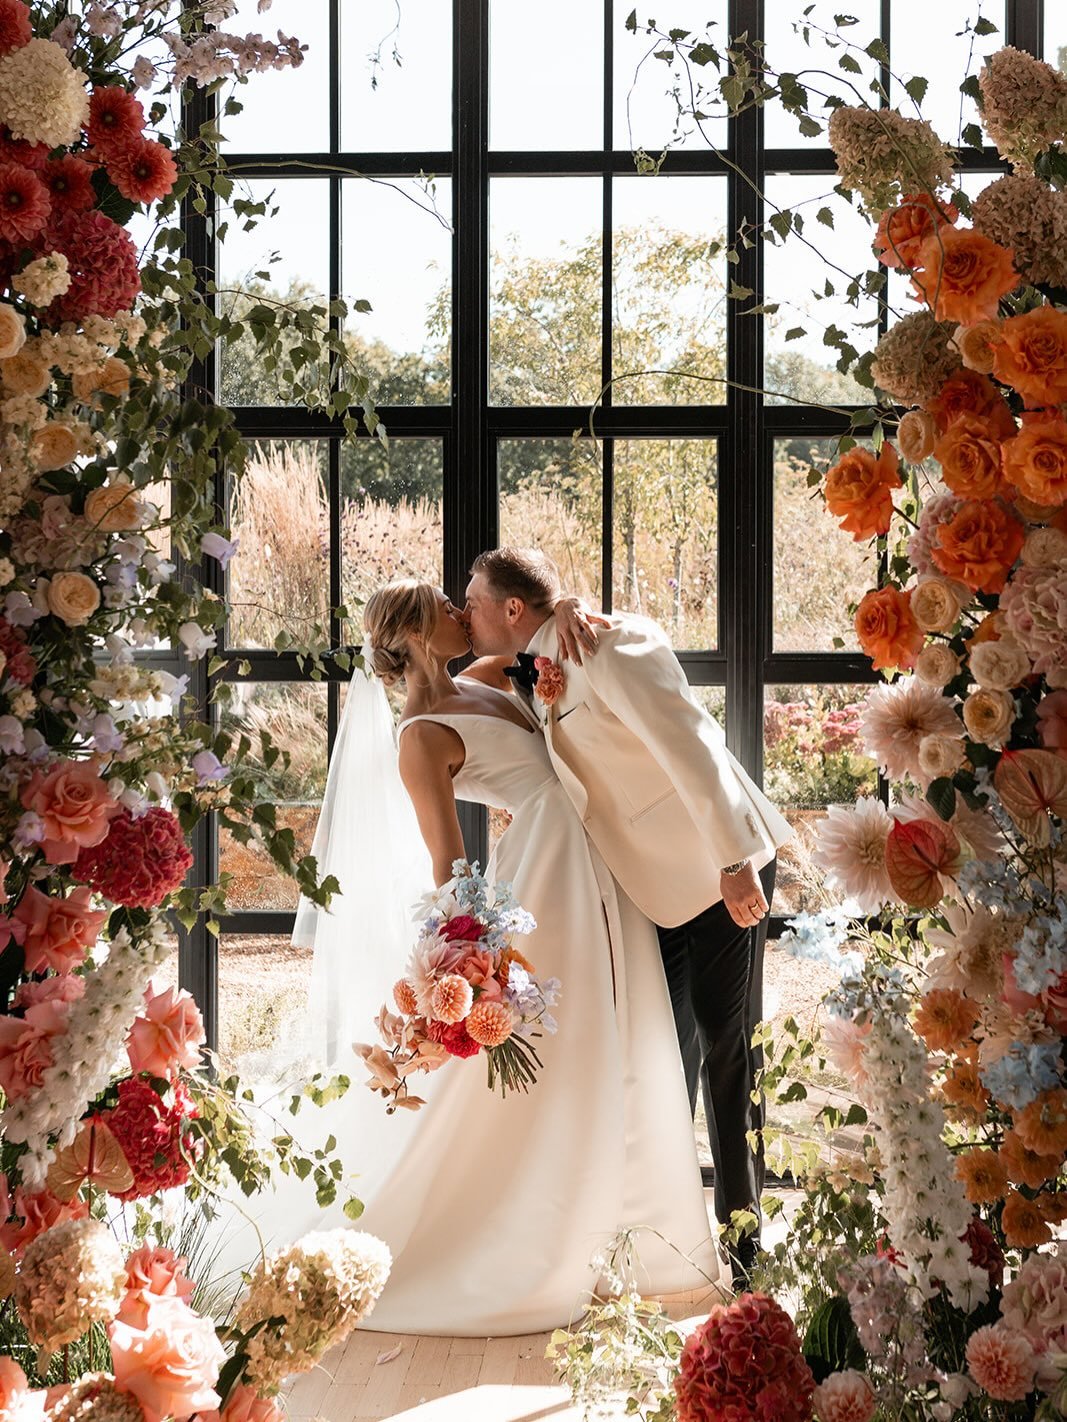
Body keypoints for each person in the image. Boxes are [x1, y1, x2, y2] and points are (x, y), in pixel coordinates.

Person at [281, 579, 721, 1337]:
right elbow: (448, 863)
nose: (463, 613)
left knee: (618, 1035)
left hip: (597, 860)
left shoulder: (483, 678)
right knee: (568, 1047)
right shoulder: (417, 736)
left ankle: (620, 1232)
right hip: (545, 887)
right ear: (419, 636)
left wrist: (576, 606)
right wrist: (472, 958)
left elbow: (545, 641)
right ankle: (538, 1240)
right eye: (447, 611)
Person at [463, 548, 793, 1288]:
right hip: (650, 887)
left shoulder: (611, 641)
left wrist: (734, 858)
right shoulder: (542, 662)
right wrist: (561, 608)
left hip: (714, 870)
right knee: (661, 1049)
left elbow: (692, 745)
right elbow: (466, 683)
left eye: (474, 602)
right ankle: (666, 1239)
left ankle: (745, 1248)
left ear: (513, 609)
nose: (467, 614)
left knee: (725, 1048)